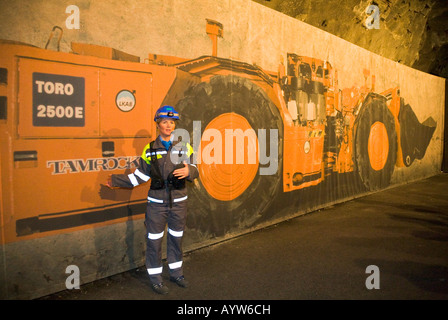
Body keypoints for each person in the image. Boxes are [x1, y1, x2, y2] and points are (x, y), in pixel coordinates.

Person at [105, 105, 199, 294]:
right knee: (154, 241)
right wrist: (116, 180)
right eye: (164, 122)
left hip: (179, 203)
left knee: (176, 239)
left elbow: (196, 168)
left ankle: (176, 273)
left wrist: (191, 171)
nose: (168, 126)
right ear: (158, 124)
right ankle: (156, 279)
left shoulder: (184, 146)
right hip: (156, 205)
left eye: (172, 122)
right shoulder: (149, 150)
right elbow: (139, 177)